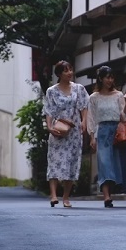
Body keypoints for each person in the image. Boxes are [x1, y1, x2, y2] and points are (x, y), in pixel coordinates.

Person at [43, 60, 89, 208]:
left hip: (74, 130)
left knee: (71, 162)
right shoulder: (51, 91)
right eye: (65, 70)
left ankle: (66, 197)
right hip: (58, 129)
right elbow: (49, 110)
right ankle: (54, 195)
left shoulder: (79, 89)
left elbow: (84, 106)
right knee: (54, 161)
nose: (69, 73)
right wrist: (49, 127)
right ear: (59, 74)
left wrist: (84, 122)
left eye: (70, 70)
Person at [87, 65, 126, 207]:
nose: (110, 80)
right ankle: (106, 196)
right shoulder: (94, 97)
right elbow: (91, 117)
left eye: (112, 77)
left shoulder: (118, 95)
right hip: (102, 131)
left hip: (116, 130)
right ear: (100, 79)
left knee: (115, 163)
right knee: (104, 163)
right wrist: (92, 136)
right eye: (107, 77)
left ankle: (113, 191)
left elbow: (125, 117)